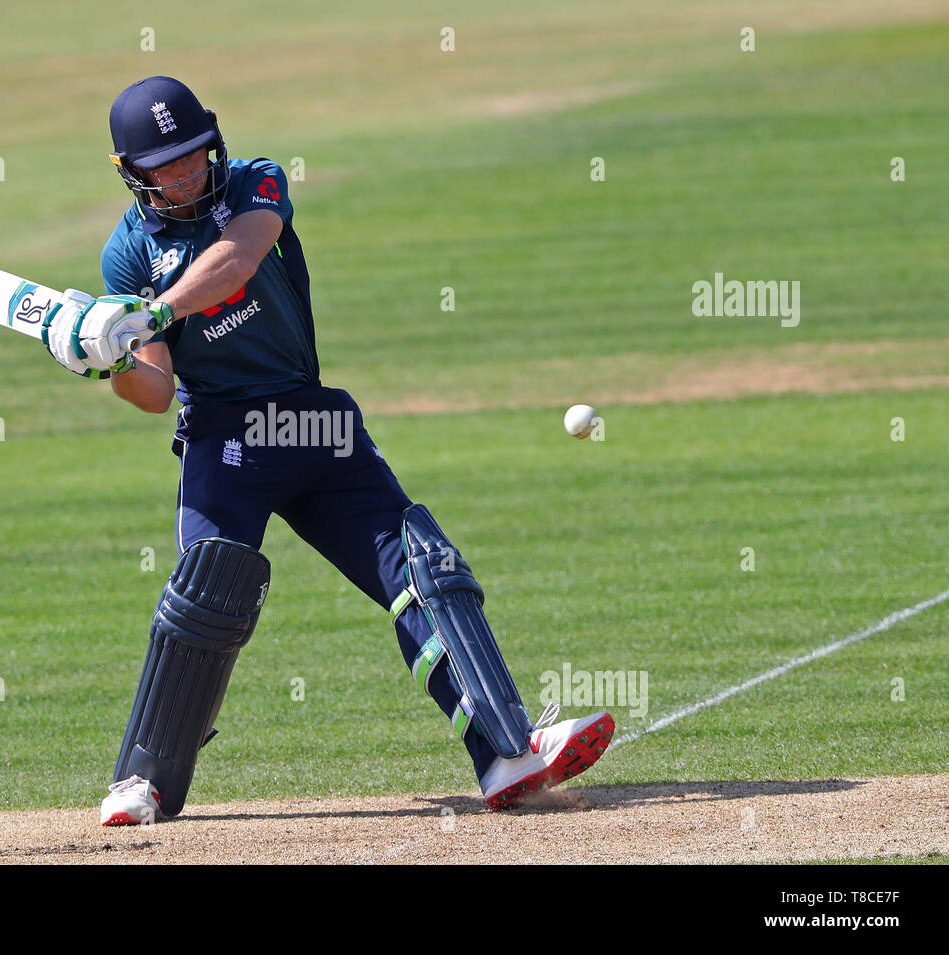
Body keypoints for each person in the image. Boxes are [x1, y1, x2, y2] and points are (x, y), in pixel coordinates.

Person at [40, 76, 614, 826]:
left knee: (422, 564)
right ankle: (140, 782)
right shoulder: (127, 253)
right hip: (224, 439)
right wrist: (109, 358)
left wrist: (150, 311)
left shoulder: (256, 183)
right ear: (132, 172)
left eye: (194, 154)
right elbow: (153, 390)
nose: (185, 172)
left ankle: (506, 748)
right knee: (206, 598)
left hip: (310, 422)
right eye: (166, 165)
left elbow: (238, 261)